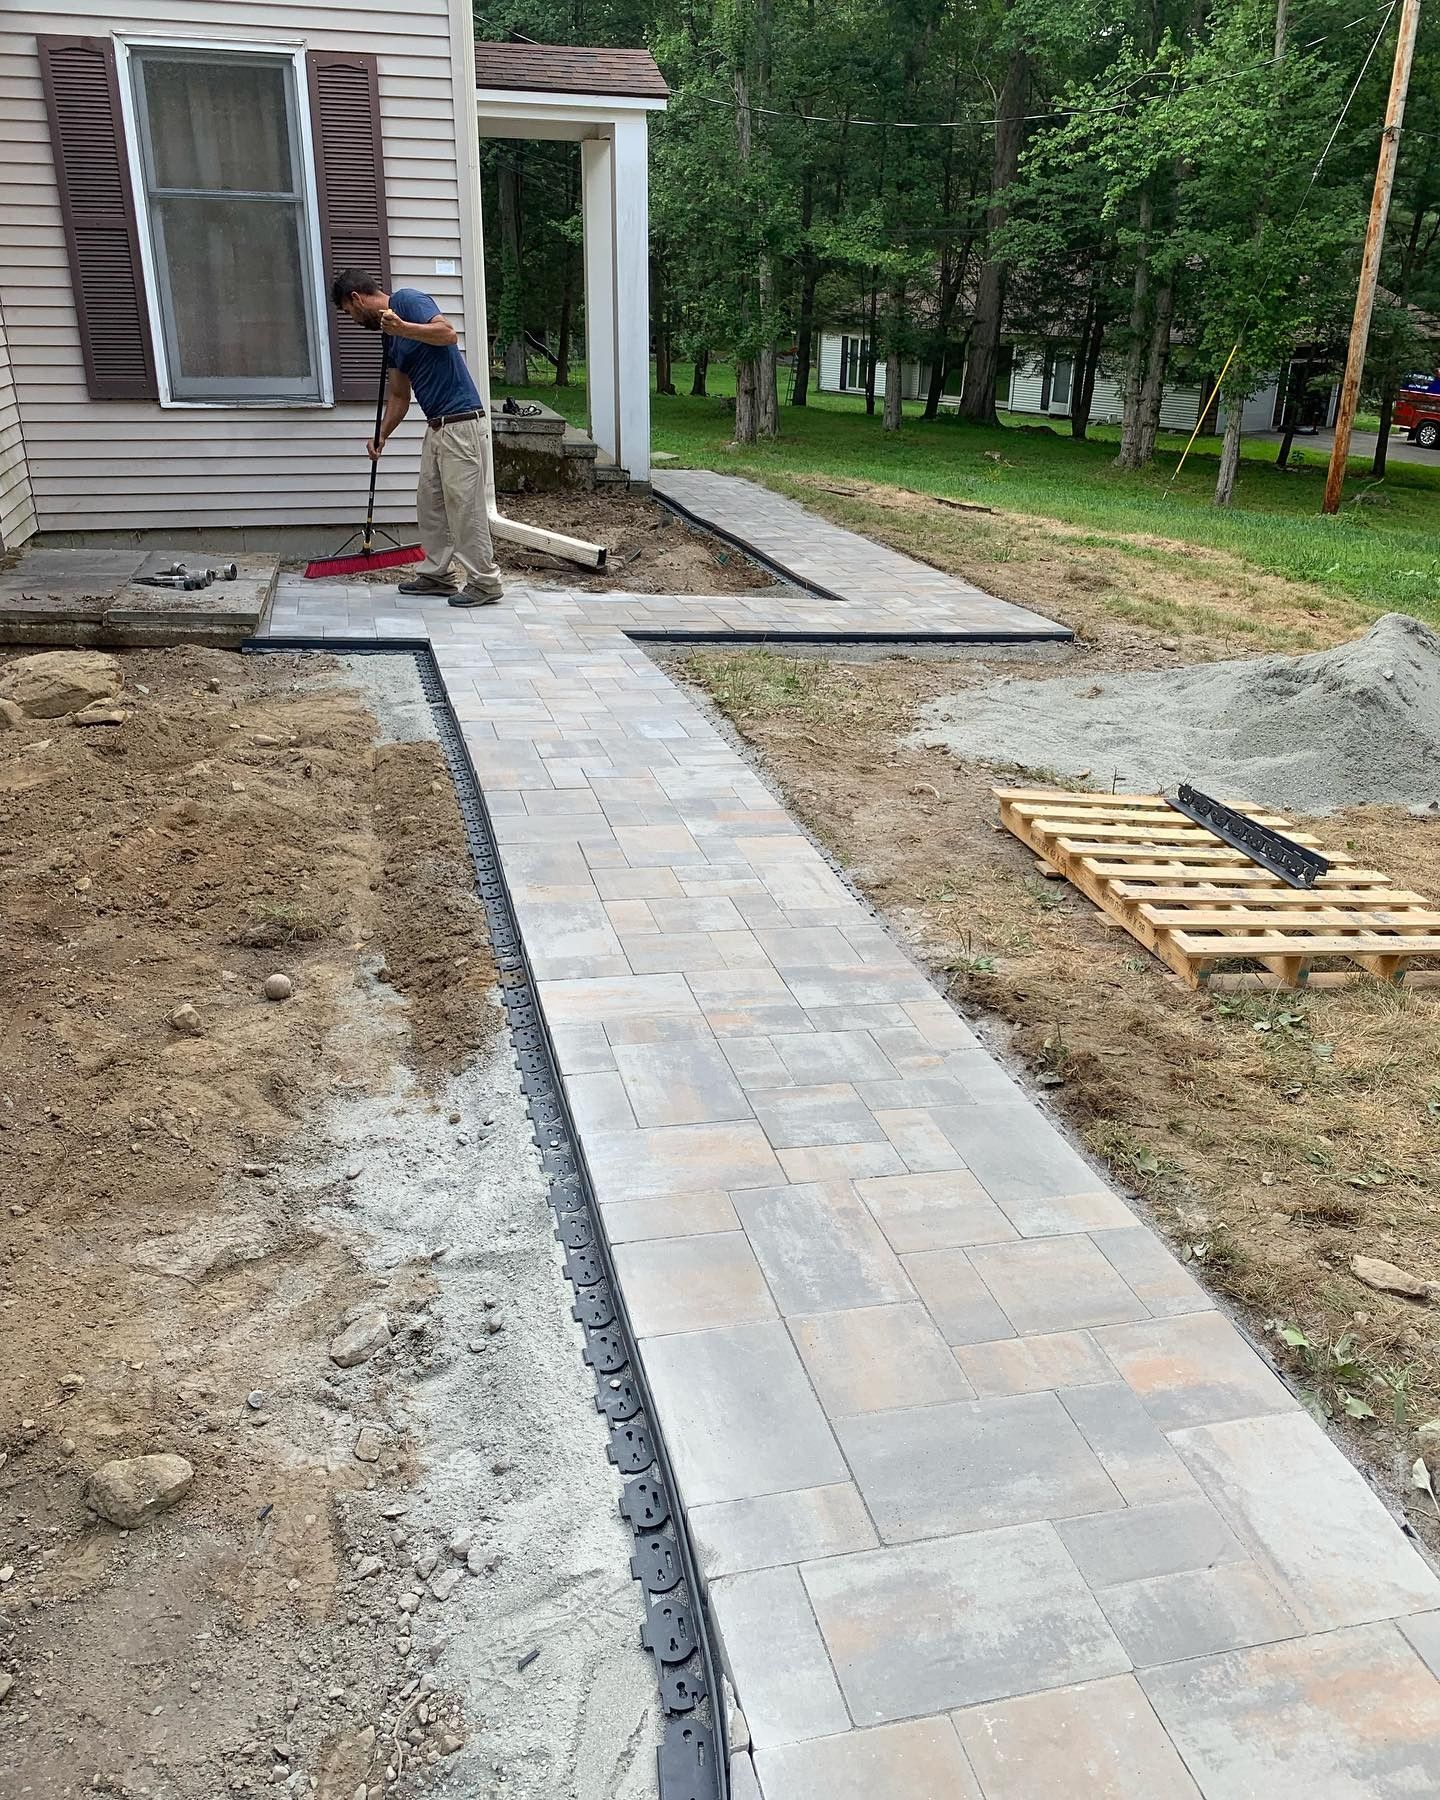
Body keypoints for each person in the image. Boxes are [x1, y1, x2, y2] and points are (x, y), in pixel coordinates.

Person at [330, 270, 503, 607]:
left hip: (461, 421)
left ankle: (485, 582)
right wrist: (381, 434)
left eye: (348, 312)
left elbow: (448, 334)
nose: (352, 320)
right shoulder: (388, 338)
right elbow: (399, 396)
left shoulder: (406, 301)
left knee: (464, 508)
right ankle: (437, 576)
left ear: (357, 298)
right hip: (436, 426)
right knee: (430, 506)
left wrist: (404, 327)